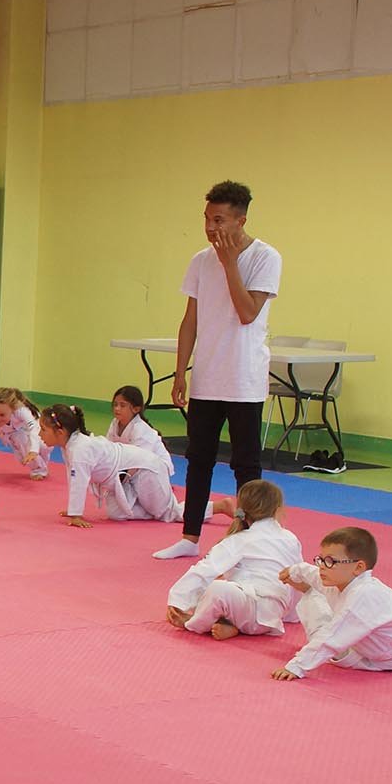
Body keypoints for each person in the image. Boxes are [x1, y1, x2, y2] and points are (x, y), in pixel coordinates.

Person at [155, 180, 282, 561]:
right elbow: (190, 320)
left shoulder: (265, 257)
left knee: (246, 465)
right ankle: (189, 536)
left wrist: (229, 264)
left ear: (240, 221)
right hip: (207, 377)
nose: (211, 228)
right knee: (199, 459)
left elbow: (247, 313)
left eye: (219, 220)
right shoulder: (200, 260)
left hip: (243, 378)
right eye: (207, 219)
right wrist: (180, 372)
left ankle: (252, 540)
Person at [39, 404, 234, 530]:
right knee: (116, 514)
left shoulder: (80, 449)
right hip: (123, 477)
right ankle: (153, 506)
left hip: (145, 468)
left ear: (60, 431)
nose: (40, 434)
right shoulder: (71, 446)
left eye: (44, 429)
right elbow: (74, 478)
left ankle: (219, 506)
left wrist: (76, 514)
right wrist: (73, 510)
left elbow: (79, 482)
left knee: (169, 513)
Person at [272, 528, 392, 679]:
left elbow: (331, 638)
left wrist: (296, 667)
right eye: (321, 559)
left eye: (330, 561)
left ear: (358, 567)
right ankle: (309, 590)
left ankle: (308, 592)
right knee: (320, 597)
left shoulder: (364, 595)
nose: (322, 566)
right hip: (377, 647)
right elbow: (315, 575)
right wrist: (294, 571)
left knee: (326, 639)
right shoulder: (343, 580)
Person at [165, 479, 301, 641]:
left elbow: (206, 569)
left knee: (216, 588)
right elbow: (298, 578)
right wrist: (292, 615)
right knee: (215, 590)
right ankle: (230, 625)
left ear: (242, 510)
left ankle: (194, 623)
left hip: (250, 611)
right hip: (273, 616)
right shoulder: (290, 538)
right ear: (278, 510)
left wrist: (177, 600)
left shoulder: (240, 539)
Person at [107, 385, 172, 469]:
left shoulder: (139, 428)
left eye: (122, 405)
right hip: (135, 465)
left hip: (156, 468)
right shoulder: (114, 423)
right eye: (115, 404)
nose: (117, 408)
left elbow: (139, 461)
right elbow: (108, 449)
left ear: (136, 409)